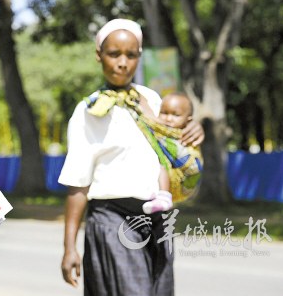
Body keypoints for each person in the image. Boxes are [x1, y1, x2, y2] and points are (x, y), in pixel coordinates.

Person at [58, 19, 204, 295]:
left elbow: (175, 138)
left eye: (131, 55)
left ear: (139, 56)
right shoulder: (88, 111)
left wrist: (194, 128)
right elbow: (77, 183)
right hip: (113, 221)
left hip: (157, 221)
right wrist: (69, 248)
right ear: (99, 55)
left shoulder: (153, 99)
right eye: (114, 54)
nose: (123, 62)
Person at [142, 92, 194, 214]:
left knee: (161, 164)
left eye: (176, 115)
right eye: (164, 113)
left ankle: (164, 196)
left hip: (179, 172)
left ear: (188, 120)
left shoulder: (184, 134)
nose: (168, 118)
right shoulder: (160, 128)